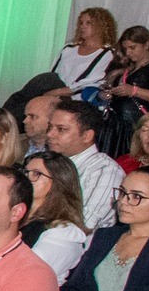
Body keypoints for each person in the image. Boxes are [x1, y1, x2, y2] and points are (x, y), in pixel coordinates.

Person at [100, 25, 149, 156]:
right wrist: (108, 95)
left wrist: (134, 91)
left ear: (147, 44)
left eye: (133, 47)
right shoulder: (124, 69)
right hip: (114, 126)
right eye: (126, 49)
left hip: (136, 126)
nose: (129, 53)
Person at [48, 99, 123, 231]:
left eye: (61, 129)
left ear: (87, 136)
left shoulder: (104, 170)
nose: (50, 134)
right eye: (50, 127)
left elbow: (86, 224)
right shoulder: (46, 163)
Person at [19, 151, 92, 285]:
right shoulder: (12, 216)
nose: (26, 178)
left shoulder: (63, 232)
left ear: (58, 182)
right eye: (25, 172)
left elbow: (27, 275)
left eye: (36, 174)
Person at [44, 6, 119, 101]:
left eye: (88, 23)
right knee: (43, 80)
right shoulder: (69, 48)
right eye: (81, 23)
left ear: (101, 27)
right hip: (55, 91)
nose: (82, 26)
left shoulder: (107, 53)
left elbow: (90, 83)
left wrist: (59, 92)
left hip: (77, 98)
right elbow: (53, 74)